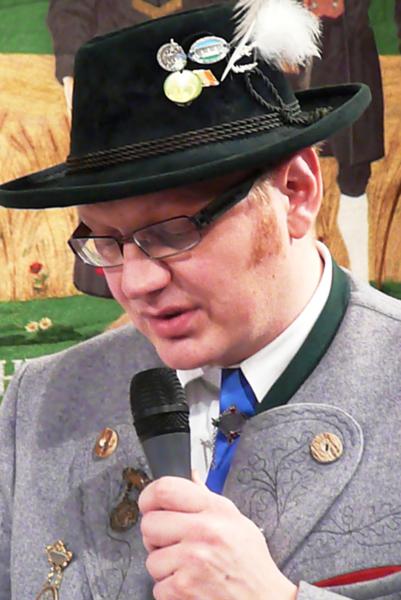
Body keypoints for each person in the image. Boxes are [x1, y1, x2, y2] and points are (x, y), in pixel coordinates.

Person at [1, 2, 401, 599]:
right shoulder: (40, 404)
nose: (136, 282)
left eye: (172, 232)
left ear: (295, 193)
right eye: (105, 241)